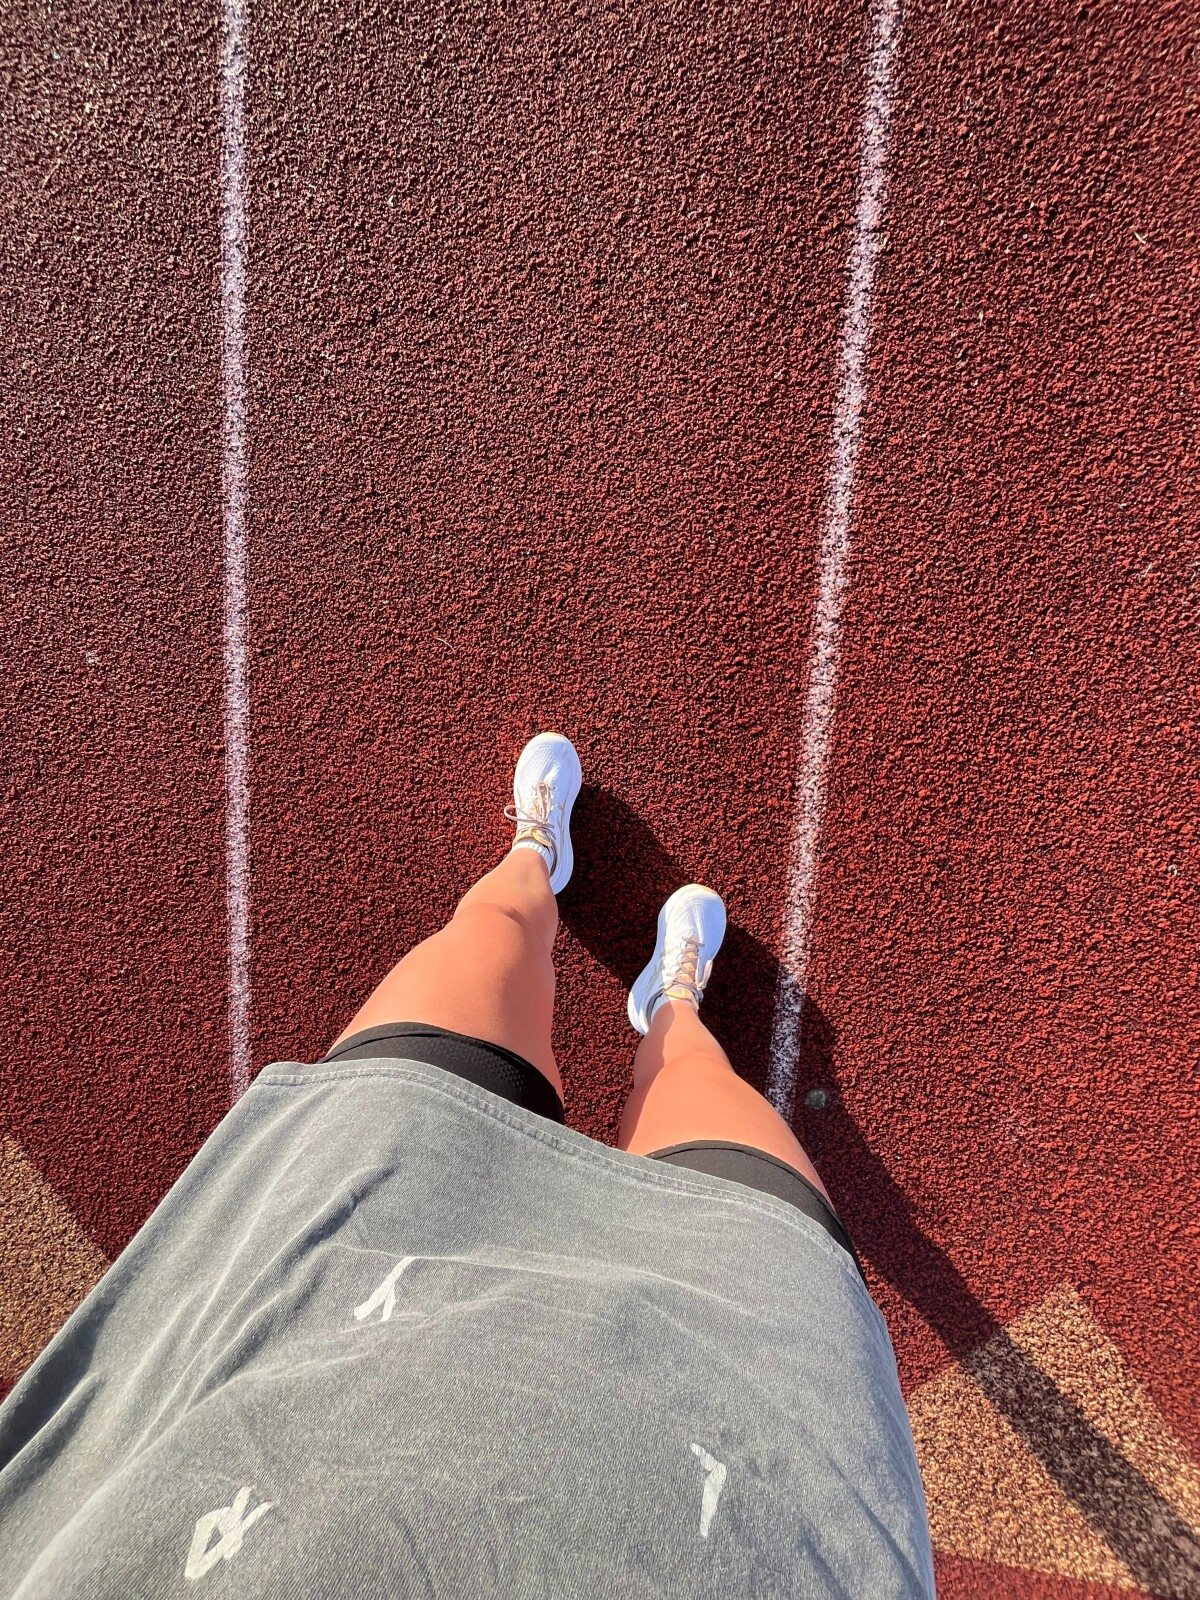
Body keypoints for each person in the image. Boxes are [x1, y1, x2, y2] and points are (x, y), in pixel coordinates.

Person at [0, 733, 935, 1596]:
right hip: (753, 1503)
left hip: (320, 1364)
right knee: (707, 1105)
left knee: (483, 948)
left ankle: (533, 863)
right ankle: (674, 1011)